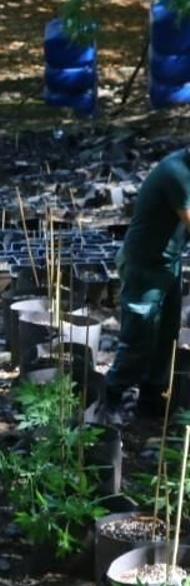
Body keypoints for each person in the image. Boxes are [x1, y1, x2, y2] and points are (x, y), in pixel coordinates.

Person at [102, 148, 190, 425]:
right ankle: (110, 399)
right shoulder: (176, 173)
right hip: (145, 265)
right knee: (139, 335)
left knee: (167, 335)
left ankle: (151, 401)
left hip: (168, 263)